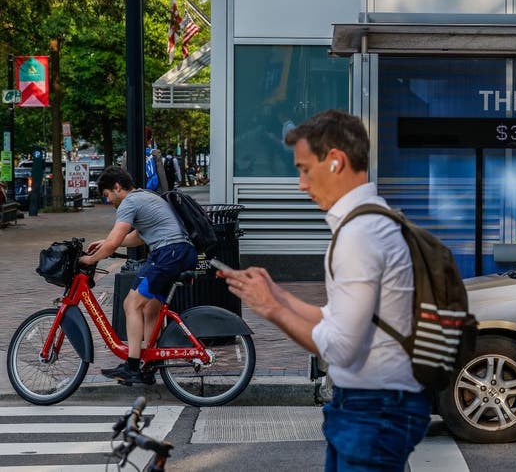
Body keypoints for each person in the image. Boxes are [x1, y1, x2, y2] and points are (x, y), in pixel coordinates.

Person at [218, 109, 430, 471]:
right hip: (378, 404)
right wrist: (278, 294)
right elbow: (339, 320)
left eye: (303, 169)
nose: (301, 184)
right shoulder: (373, 219)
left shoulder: (359, 235)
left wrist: (271, 308)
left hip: (371, 408)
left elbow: (340, 348)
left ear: (335, 161)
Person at [77, 166, 197, 385]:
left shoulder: (129, 202)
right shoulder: (145, 196)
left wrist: (89, 259)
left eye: (107, 195)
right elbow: (138, 238)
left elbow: (116, 241)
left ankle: (132, 366)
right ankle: (149, 366)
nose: (107, 201)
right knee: (151, 309)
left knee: (131, 304)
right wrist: (106, 243)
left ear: (117, 187)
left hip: (167, 254)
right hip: (181, 251)